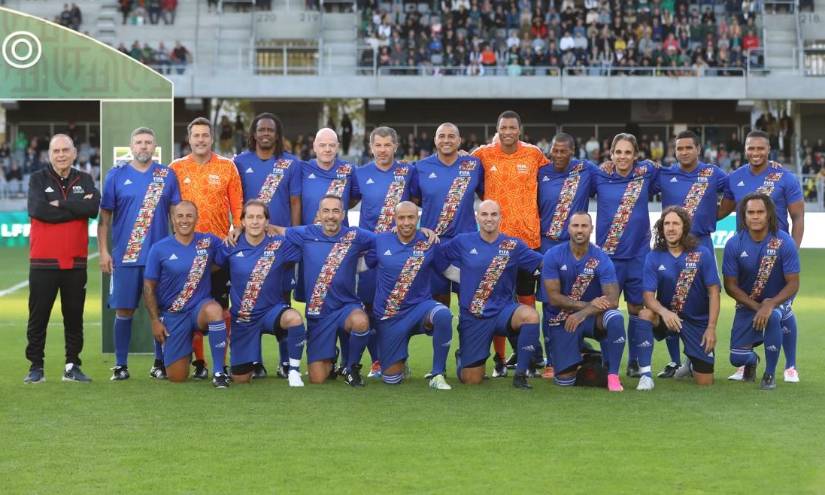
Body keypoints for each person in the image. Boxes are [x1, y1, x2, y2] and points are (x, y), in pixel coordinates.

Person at [719, 130, 804, 383]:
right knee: (750, 309)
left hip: (778, 256)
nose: (756, 153)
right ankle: (746, 361)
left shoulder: (784, 177)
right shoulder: (735, 177)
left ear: (769, 150)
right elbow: (720, 211)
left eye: (760, 148)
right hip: (746, 256)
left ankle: (789, 366)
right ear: (745, 149)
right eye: (751, 148)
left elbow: (798, 217)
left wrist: (793, 250)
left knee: (781, 311)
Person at [98, 127, 180, 381]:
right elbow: (104, 218)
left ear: (154, 147)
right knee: (124, 311)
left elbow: (176, 216)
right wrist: (103, 252)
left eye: (148, 142)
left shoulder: (166, 175)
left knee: (161, 311)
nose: (143, 146)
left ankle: (160, 363)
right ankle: (120, 365)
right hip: (126, 256)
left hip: (158, 258)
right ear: (131, 146)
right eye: (139, 142)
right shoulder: (116, 175)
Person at [471, 111, 549, 376]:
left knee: (527, 299)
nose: (507, 132)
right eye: (503, 127)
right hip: (496, 243)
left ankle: (529, 356)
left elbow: (555, 175)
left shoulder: (534, 154)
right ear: (497, 130)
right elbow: (461, 168)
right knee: (495, 299)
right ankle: (500, 360)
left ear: (519, 130)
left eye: (512, 127)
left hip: (528, 241)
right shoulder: (483, 154)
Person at [437, 200, 543, 389]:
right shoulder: (463, 241)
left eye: (494, 214)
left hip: (504, 311)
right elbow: (437, 258)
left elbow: (543, 263)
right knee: (472, 379)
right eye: (484, 214)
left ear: (501, 217)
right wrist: (460, 276)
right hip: (474, 316)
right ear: (477, 217)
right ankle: (464, 356)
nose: (489, 218)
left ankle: (521, 374)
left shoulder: (513, 245)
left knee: (531, 316)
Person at [170, 117, 243, 379]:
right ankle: (199, 363)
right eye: (196, 135)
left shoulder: (227, 166)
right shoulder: (176, 168)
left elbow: (237, 204)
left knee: (221, 309)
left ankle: (221, 363)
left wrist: (237, 227)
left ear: (211, 138)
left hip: (218, 251)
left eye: (205, 135)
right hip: (186, 251)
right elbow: (169, 207)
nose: (200, 140)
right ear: (189, 139)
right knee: (188, 305)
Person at [24, 134, 100, 384]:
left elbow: (92, 208)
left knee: (74, 317)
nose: (61, 155)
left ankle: (72, 366)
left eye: (65, 150)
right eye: (56, 151)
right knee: (38, 317)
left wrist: (60, 204)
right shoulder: (38, 179)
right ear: (49, 154)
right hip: (43, 262)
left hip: (76, 262)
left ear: (75, 153)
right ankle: (36, 367)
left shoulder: (85, 179)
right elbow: (38, 210)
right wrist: (75, 207)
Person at [233, 113, 302, 379]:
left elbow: (295, 201)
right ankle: (255, 362)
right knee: (249, 299)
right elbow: (236, 200)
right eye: (261, 129)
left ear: (277, 134)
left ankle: (285, 361)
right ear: (253, 134)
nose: (265, 134)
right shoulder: (240, 162)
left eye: (270, 130)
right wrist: (237, 227)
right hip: (250, 244)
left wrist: (292, 234)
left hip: (279, 246)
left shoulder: (290, 163)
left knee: (282, 300)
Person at [654, 130, 726, 378]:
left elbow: (734, 193)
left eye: (688, 147)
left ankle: (696, 355)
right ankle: (675, 362)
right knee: (669, 299)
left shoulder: (713, 173)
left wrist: (714, 216)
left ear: (698, 149)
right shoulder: (665, 174)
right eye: (679, 148)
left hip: (701, 245)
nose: (684, 152)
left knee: (703, 299)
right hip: (670, 246)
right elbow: (638, 182)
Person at [285, 195, 374, 385]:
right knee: (317, 379)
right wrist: (243, 228)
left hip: (346, 307)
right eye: (326, 211)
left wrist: (363, 264)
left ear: (343, 214)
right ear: (318, 214)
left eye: (335, 211)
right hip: (319, 314)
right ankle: (332, 355)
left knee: (361, 322)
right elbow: (278, 231)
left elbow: (384, 242)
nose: (331, 216)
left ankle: (351, 367)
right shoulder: (306, 233)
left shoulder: (355, 235)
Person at [591, 133, 659, 379]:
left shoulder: (646, 173)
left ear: (635, 155)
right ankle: (608, 362)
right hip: (608, 259)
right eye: (618, 152)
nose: (622, 157)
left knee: (636, 308)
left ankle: (635, 361)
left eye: (627, 152)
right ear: (610, 154)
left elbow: (664, 172)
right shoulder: (598, 175)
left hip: (639, 256)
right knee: (606, 308)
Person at [365, 201, 453, 389]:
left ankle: (438, 374)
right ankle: (400, 359)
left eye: (411, 217)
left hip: (419, 308)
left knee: (443, 315)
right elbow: (363, 264)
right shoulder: (380, 241)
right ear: (394, 219)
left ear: (417, 218)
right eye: (402, 218)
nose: (406, 222)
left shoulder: (429, 241)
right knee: (391, 380)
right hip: (390, 316)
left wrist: (480, 279)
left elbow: (447, 271)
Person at [351, 126, 417, 377]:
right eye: (377, 145)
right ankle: (377, 360)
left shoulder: (408, 172)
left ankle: (400, 357)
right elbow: (349, 201)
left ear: (395, 146)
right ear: (370, 148)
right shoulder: (360, 174)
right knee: (369, 307)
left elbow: (420, 202)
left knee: (400, 307)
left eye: (387, 145)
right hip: (371, 252)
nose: (382, 150)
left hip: (401, 252)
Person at [219, 200, 306, 387]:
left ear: (267, 222)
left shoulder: (280, 245)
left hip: (271, 312)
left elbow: (308, 240)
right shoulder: (230, 245)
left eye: (260, 217)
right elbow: (212, 267)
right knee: (241, 380)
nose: (255, 221)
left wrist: (280, 230)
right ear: (242, 221)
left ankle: (293, 371)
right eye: (250, 217)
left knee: (294, 318)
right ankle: (248, 363)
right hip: (243, 319)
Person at [143, 201, 229, 387]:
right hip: (174, 314)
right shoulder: (159, 248)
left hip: (199, 308)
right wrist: (155, 320)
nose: (184, 220)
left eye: (189, 216)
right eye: (180, 216)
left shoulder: (208, 241)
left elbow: (225, 258)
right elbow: (148, 286)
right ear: (172, 219)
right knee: (177, 377)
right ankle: (181, 347)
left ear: (197, 219)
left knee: (215, 310)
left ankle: (219, 372)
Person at [722, 193, 800, 390]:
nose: (755, 216)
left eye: (760, 212)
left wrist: (770, 304)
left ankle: (769, 373)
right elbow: (730, 286)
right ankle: (751, 361)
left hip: (778, 299)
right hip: (749, 303)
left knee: (773, 316)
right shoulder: (734, 244)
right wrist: (758, 307)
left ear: (769, 214)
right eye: (751, 212)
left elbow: (793, 284)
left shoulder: (784, 241)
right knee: (736, 357)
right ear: (744, 215)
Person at [297, 128, 360, 372]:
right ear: (314, 146)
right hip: (312, 248)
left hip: (341, 249)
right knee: (315, 301)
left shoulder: (348, 170)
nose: (327, 149)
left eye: (331, 145)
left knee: (344, 299)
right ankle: (325, 353)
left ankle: (347, 362)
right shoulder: (302, 169)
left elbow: (353, 198)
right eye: (322, 145)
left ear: (338, 147)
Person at [542, 211, 626, 392]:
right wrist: (588, 305)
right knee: (565, 382)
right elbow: (554, 298)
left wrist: (584, 313)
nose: (579, 230)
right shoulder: (553, 255)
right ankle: (588, 356)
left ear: (591, 229)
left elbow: (613, 300)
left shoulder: (601, 258)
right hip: (562, 320)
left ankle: (613, 375)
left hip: (591, 318)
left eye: (584, 226)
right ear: (568, 228)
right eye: (575, 226)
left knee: (615, 317)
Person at [537, 132, 597, 378]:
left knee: (577, 300)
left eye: (564, 151)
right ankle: (551, 360)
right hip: (547, 247)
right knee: (550, 304)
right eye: (555, 150)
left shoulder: (586, 170)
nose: (559, 155)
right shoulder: (541, 172)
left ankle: (577, 352)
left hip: (576, 248)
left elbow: (611, 177)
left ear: (573, 151)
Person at [639, 207, 720, 389]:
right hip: (668, 319)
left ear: (684, 227)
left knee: (705, 382)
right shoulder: (654, 257)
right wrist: (664, 312)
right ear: (661, 228)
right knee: (645, 314)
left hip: (697, 322)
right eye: (667, 224)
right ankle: (645, 375)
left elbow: (714, 292)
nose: (671, 228)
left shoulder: (702, 254)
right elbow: (648, 296)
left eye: (676, 223)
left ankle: (691, 361)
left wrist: (711, 328)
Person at [410, 123, 483, 307]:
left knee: (469, 300)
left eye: (451, 136)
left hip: (465, 244)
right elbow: (413, 202)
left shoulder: (473, 165)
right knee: (438, 301)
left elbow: (486, 195)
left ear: (459, 140)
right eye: (441, 136)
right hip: (433, 243)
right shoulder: (421, 167)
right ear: (435, 140)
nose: (446, 140)